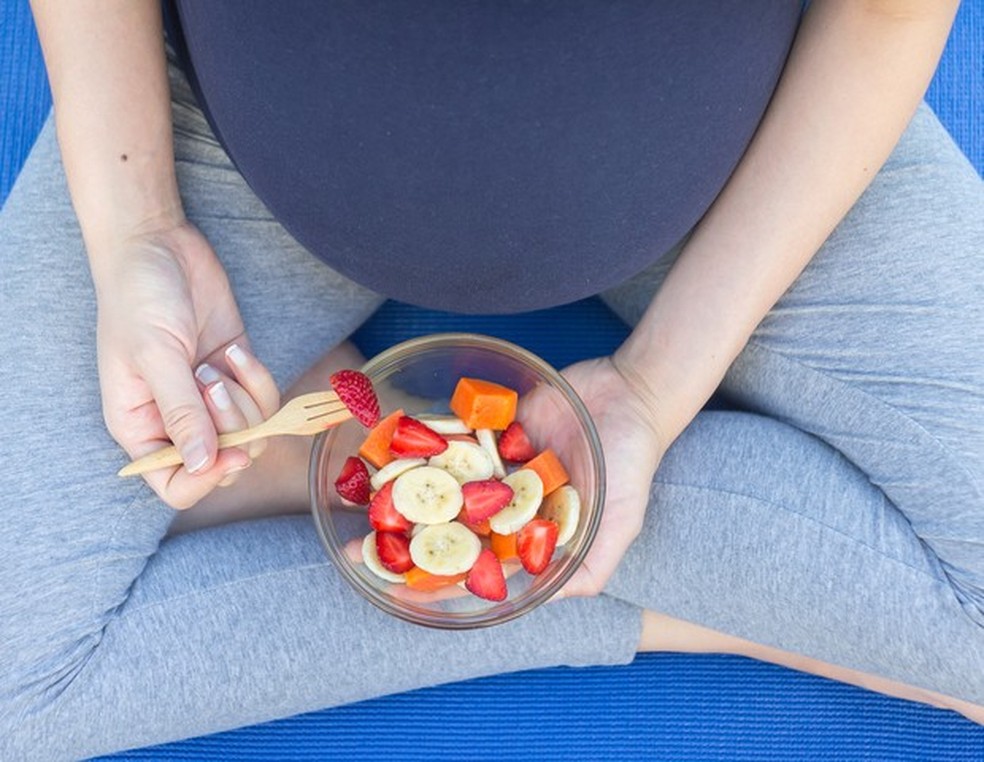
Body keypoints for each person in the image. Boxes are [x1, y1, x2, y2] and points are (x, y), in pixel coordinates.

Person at [3, 0, 983, 757]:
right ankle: (684, 604)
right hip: (218, 152)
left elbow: (883, 9)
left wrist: (659, 386)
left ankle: (370, 457)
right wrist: (139, 228)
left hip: (745, 162)